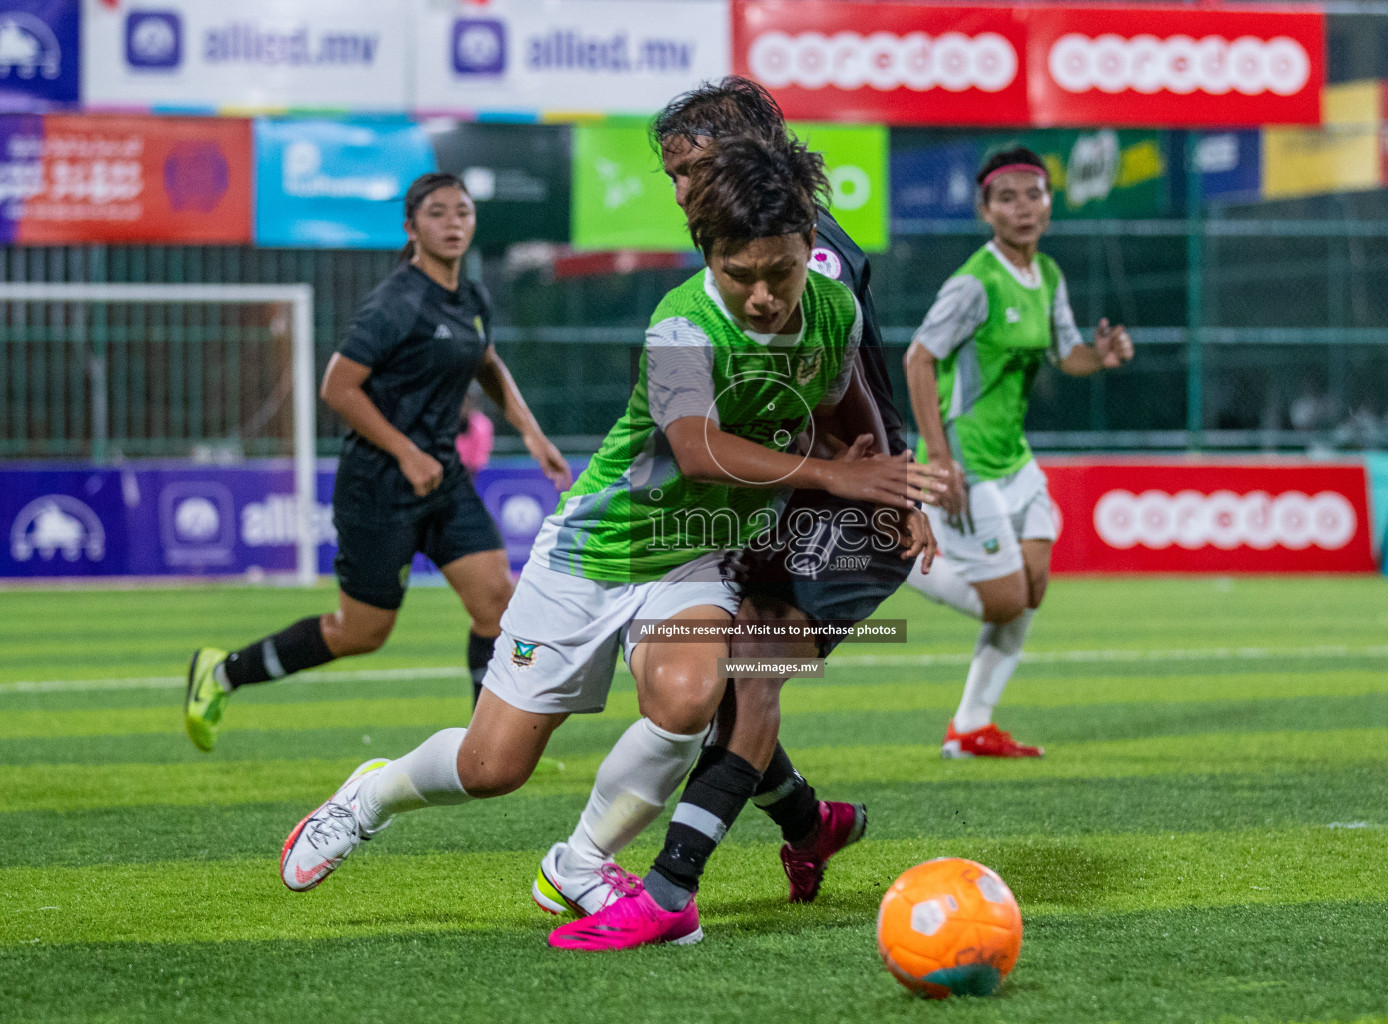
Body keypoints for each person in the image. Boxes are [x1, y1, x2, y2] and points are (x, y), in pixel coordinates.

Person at [275, 139, 939, 954]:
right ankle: (371, 796)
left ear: (812, 247)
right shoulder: (680, 325)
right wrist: (838, 481)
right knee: (494, 769)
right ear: (709, 255)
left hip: (698, 556)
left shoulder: (835, 311)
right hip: (598, 551)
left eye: (782, 271)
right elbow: (698, 450)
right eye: (741, 274)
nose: (763, 295)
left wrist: (890, 476)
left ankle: (579, 861)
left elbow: (844, 406)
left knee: (691, 698)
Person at [535, 79, 940, 948]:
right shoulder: (742, 254)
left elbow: (847, 406)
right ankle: (807, 823)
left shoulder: (797, 255)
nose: (680, 190)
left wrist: (886, 484)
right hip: (792, 494)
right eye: (675, 173)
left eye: (691, 168)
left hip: (843, 496)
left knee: (748, 664)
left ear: (751, 154)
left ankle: (669, 889)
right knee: (713, 683)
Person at [183, 172, 571, 749]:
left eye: (462, 212)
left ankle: (483, 744)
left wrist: (531, 431)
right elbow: (338, 388)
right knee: (360, 633)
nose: (453, 223)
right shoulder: (397, 302)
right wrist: (406, 451)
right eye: (437, 213)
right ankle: (221, 672)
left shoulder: (471, 295)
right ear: (411, 227)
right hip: (380, 485)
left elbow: (485, 360)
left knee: (497, 606)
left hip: (442, 477)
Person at [904, 146, 1134, 758]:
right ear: (986, 210)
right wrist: (937, 460)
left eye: (1033, 194)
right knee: (1003, 600)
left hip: (1013, 458)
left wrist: (1101, 356)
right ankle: (891, 560)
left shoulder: (1049, 275)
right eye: (1006, 198)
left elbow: (1068, 353)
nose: (1023, 208)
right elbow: (918, 358)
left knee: (1032, 590)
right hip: (966, 459)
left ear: (1049, 205)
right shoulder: (973, 284)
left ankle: (971, 728)